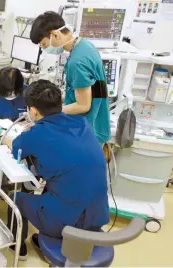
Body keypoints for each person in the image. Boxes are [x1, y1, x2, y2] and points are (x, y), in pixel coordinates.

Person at [8, 80, 109, 260]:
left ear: (33, 111)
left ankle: (17, 246)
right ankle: (47, 235)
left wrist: (7, 137)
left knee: (15, 198)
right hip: (97, 216)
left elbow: (15, 147)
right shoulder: (83, 124)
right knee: (59, 188)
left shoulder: (36, 134)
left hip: (67, 224)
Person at [30, 11, 110, 144]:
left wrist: (51, 111)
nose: (45, 49)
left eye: (44, 45)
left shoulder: (77, 62)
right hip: (94, 125)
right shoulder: (84, 45)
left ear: (55, 34)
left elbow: (83, 105)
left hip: (87, 132)